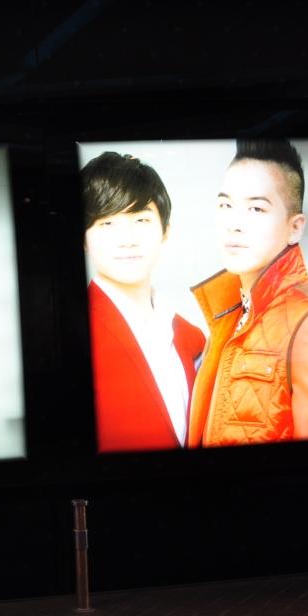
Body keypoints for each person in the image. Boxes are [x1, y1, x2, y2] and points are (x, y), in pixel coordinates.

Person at [188, 139, 308, 446]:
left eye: (256, 208)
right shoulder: (230, 315)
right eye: (225, 205)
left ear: (295, 228)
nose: (234, 224)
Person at [82, 152, 204, 452]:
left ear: (165, 231)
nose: (127, 239)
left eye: (141, 219)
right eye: (107, 223)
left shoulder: (192, 338)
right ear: (83, 239)